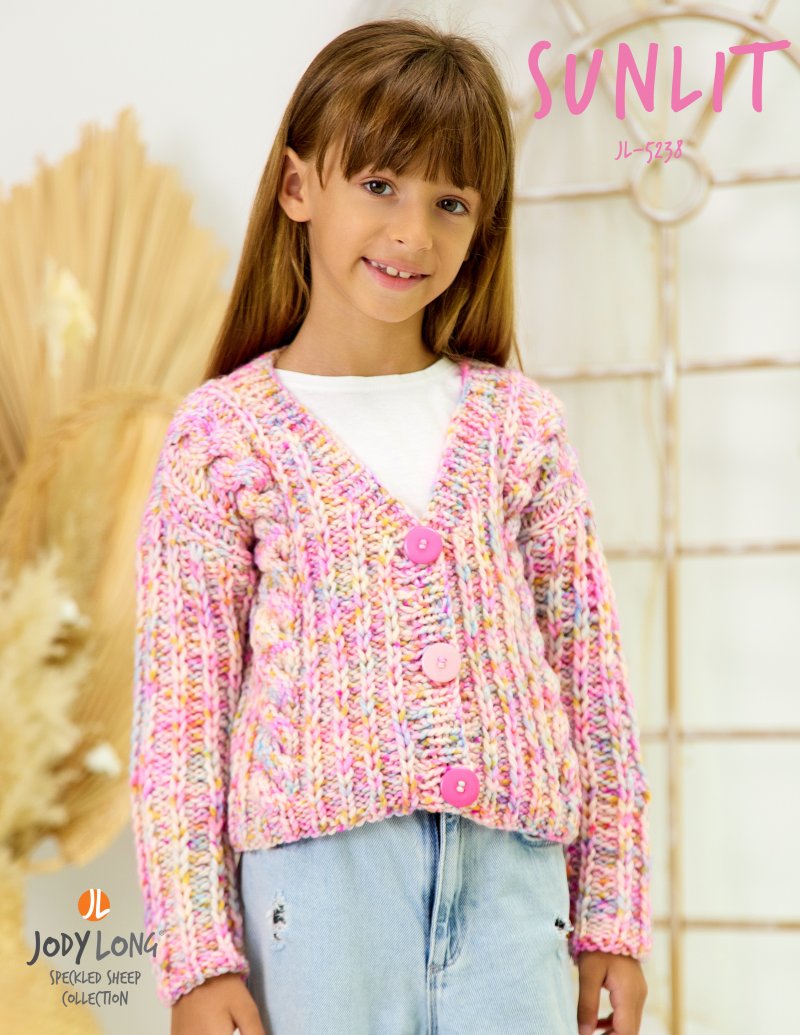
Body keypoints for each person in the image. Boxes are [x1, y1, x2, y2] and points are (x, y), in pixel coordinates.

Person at [129, 16, 653, 1035]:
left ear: (482, 225)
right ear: (297, 187)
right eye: (379, 184)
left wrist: (611, 916)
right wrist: (197, 959)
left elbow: (591, 685)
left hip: (514, 892)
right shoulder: (223, 437)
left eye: (450, 202)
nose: (412, 233)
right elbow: (182, 718)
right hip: (319, 898)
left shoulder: (518, 427)